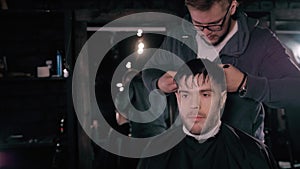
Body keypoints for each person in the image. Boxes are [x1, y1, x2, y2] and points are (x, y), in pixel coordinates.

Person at [142, 0, 300, 141]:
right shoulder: (178, 37)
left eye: (214, 24)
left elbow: (295, 91)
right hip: (189, 149)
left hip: (241, 151)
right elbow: (149, 71)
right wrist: (158, 83)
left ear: (232, 7)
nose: (205, 32)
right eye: (197, 24)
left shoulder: (260, 41)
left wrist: (245, 83)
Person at [137, 58, 278, 169]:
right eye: (186, 95)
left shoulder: (252, 152)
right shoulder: (155, 152)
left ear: (222, 98)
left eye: (205, 95)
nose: (194, 105)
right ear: (178, 98)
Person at [114, 68, 169, 138]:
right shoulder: (156, 86)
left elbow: (120, 104)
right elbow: (166, 114)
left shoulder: (133, 83)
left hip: (142, 132)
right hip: (160, 131)